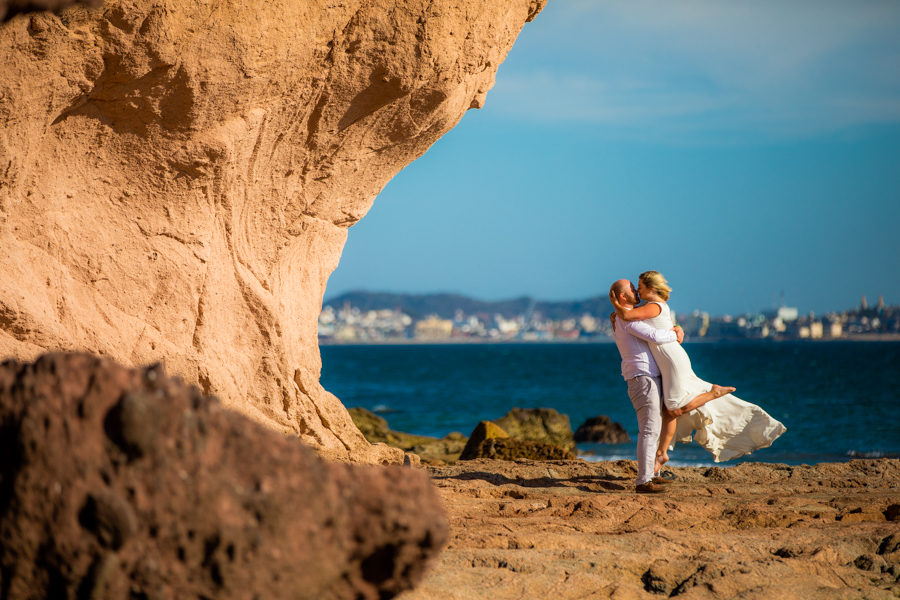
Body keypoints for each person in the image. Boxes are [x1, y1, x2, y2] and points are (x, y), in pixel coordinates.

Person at [612, 271, 786, 468]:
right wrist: (677, 326)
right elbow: (653, 321)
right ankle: (661, 455)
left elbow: (626, 315)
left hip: (671, 358)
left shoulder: (653, 306)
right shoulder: (653, 307)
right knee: (667, 411)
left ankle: (713, 394)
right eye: (635, 288)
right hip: (669, 358)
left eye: (640, 286)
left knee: (674, 408)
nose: (637, 290)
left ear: (651, 289)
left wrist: (616, 305)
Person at [608, 278, 685, 494]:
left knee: (654, 427)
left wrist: (676, 326)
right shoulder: (626, 319)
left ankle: (652, 474)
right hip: (642, 377)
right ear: (623, 297)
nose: (636, 290)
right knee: (649, 429)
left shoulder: (624, 316)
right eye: (632, 289)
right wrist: (676, 334)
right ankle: (643, 481)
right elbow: (654, 335)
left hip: (647, 376)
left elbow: (655, 326)